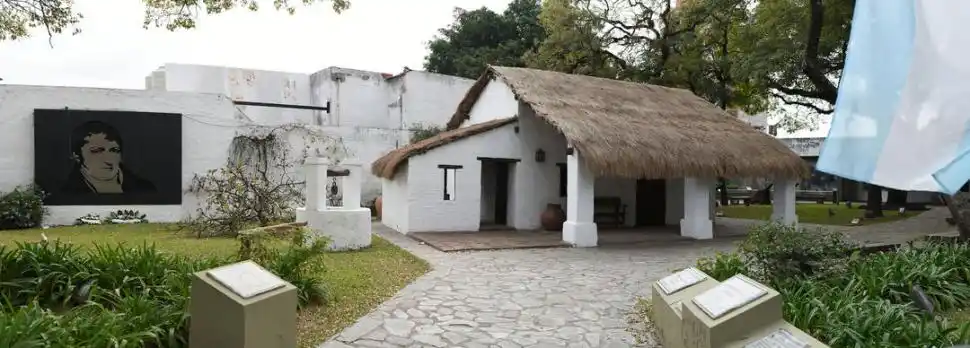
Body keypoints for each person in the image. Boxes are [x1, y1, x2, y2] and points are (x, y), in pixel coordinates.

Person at [60, 121, 156, 194]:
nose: (108, 159)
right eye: (97, 151)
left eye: (114, 150)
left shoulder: (145, 189)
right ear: (76, 156)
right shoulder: (65, 195)